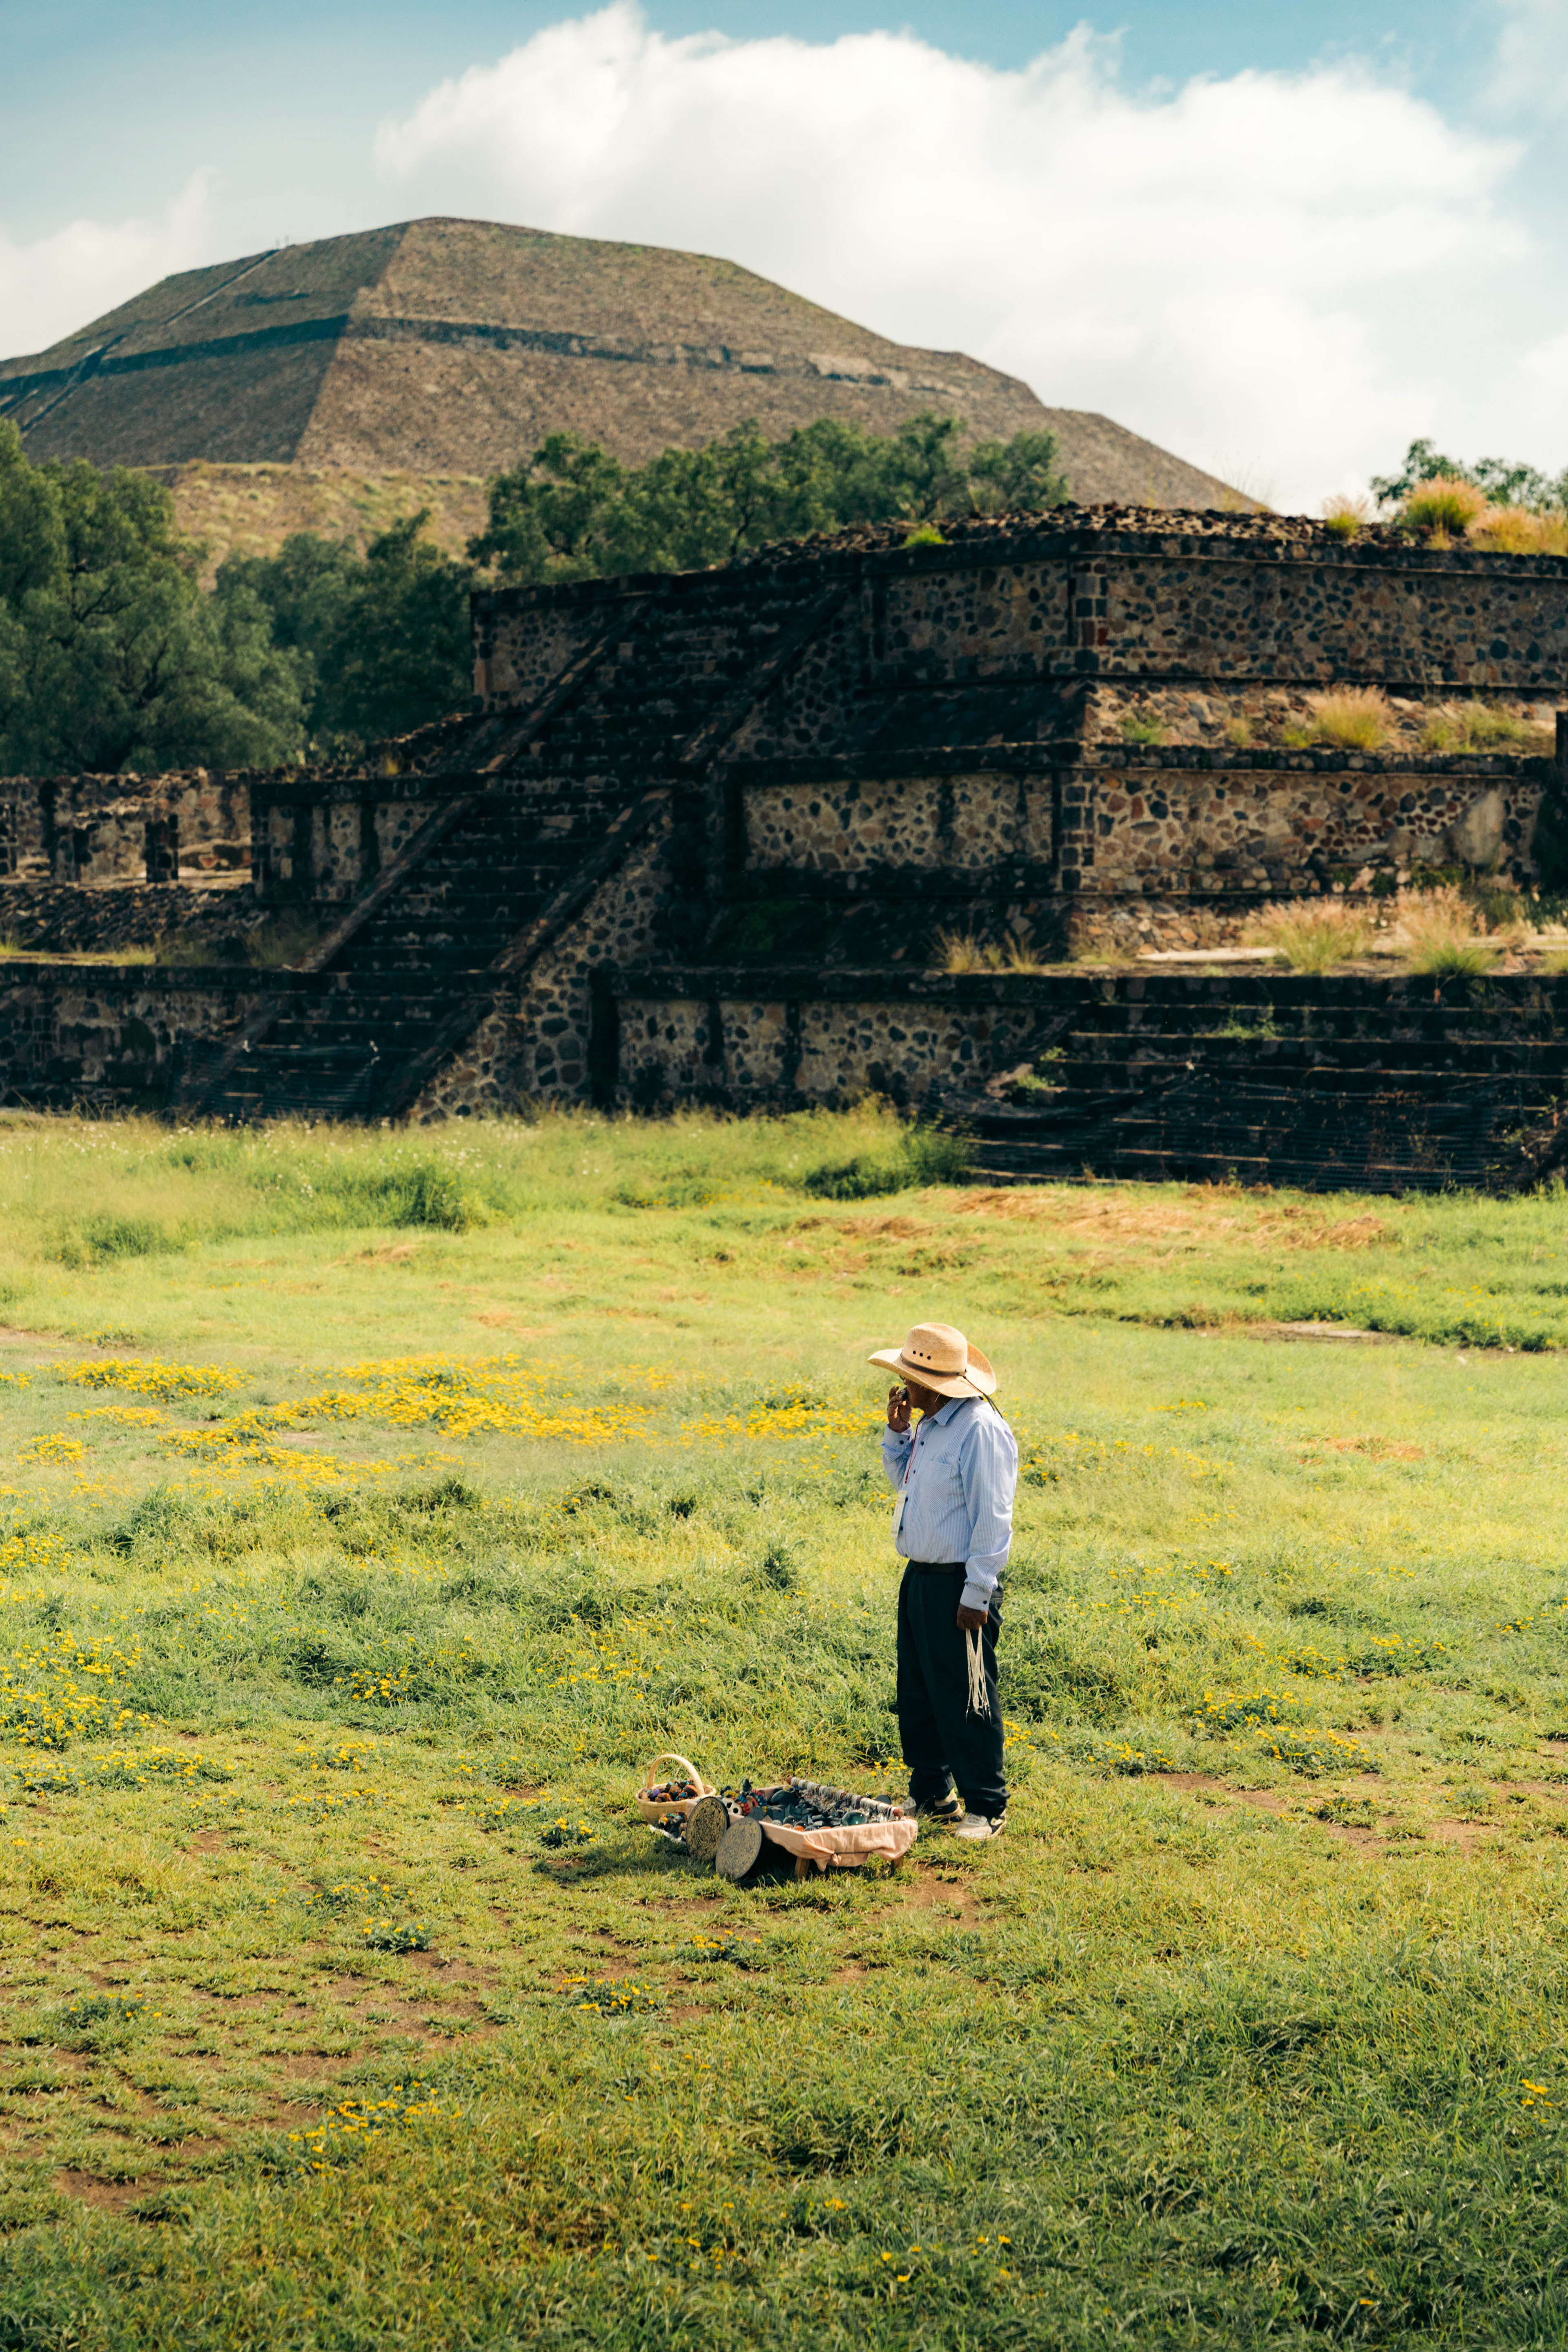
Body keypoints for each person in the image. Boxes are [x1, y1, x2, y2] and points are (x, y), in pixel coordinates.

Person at [867, 1321, 1018, 1844]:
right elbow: (909, 1487)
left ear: (935, 1383)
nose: (903, 1386)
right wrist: (898, 1432)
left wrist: (977, 1592)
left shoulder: (980, 1429)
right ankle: (932, 1791)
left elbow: (993, 1517)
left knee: (967, 1693)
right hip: (921, 1578)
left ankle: (987, 1805)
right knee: (920, 1690)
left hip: (960, 1581)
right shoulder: (932, 1423)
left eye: (909, 1379)